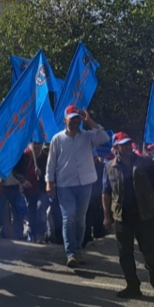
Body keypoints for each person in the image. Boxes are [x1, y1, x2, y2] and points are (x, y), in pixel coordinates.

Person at [102, 132, 154, 298]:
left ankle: (152, 268)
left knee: (149, 248)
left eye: (129, 144)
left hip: (144, 213)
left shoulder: (146, 164)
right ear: (116, 147)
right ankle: (132, 284)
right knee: (125, 253)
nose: (127, 147)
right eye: (123, 144)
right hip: (121, 216)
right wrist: (107, 216)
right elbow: (106, 192)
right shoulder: (109, 167)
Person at [45, 106, 110, 268]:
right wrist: (49, 182)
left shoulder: (88, 136)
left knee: (80, 220)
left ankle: (78, 249)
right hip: (65, 184)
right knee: (69, 218)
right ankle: (70, 253)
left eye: (77, 118)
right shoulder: (57, 139)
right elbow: (51, 162)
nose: (74, 121)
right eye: (71, 118)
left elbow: (104, 138)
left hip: (85, 183)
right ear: (65, 120)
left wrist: (91, 122)